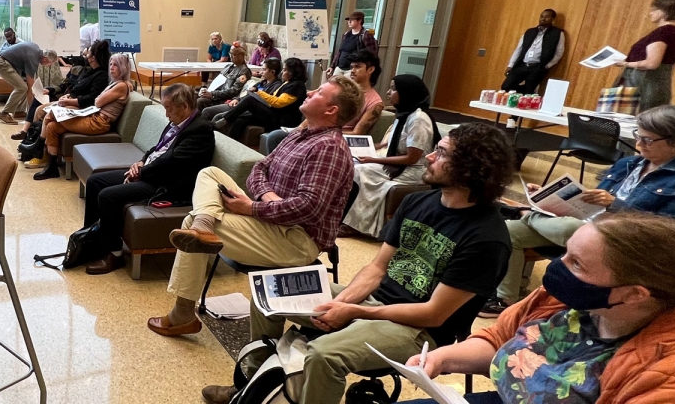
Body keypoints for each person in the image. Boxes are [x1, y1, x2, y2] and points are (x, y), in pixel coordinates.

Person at [199, 122, 516, 404]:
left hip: (418, 331)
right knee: (267, 292)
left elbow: (433, 315)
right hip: (376, 301)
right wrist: (342, 303)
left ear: (472, 168)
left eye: (443, 153)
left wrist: (353, 311)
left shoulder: (486, 238)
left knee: (322, 355)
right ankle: (253, 388)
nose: (430, 157)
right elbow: (377, 269)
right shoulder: (418, 201)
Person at [401, 213, 675, 404]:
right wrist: (443, 358)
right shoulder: (573, 300)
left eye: (576, 264)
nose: (557, 268)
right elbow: (501, 337)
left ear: (634, 293)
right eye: (565, 255)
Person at [146, 76, 366, 337]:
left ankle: (182, 313)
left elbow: (307, 208)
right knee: (210, 173)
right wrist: (267, 196)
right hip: (272, 219)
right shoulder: (301, 134)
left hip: (296, 239)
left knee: (189, 223)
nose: (309, 92)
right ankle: (204, 225)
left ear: (332, 110)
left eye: (319, 92)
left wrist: (251, 208)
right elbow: (259, 168)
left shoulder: (328, 147)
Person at [482, 105, 675, 317]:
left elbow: (672, 227)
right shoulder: (628, 164)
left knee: (573, 229)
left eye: (648, 140)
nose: (639, 145)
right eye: (638, 137)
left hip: (625, 240)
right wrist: (552, 195)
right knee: (509, 231)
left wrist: (616, 204)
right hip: (588, 224)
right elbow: (590, 202)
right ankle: (505, 299)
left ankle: (528, 215)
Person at [79, 84, 215, 274]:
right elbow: (157, 149)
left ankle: (115, 254)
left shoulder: (201, 130)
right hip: (151, 173)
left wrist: (141, 172)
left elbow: (171, 162)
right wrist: (140, 162)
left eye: (168, 108)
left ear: (184, 106)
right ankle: (92, 241)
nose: (166, 114)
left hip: (167, 185)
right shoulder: (177, 122)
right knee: (95, 182)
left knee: (107, 196)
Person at [341, 74, 439, 237]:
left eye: (393, 89)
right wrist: (367, 147)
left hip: (413, 171)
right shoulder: (404, 115)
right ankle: (343, 216)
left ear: (406, 93)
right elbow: (390, 144)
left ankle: (358, 225)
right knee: (352, 164)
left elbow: (411, 158)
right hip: (398, 164)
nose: (388, 92)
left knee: (362, 172)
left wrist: (373, 159)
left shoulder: (419, 119)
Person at [28, 54, 133, 180]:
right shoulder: (116, 83)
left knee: (52, 113)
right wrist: (99, 98)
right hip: (94, 116)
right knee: (52, 127)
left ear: (123, 68)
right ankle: (51, 167)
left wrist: (99, 98)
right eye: (110, 64)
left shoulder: (121, 86)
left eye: (115, 65)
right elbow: (98, 100)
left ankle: (38, 146)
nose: (111, 67)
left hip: (99, 123)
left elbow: (97, 102)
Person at [14, 43, 112, 159]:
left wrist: (68, 100)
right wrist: (65, 95)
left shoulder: (101, 75)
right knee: (39, 110)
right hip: (70, 99)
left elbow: (91, 99)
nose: (85, 55)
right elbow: (71, 85)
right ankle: (31, 141)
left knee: (49, 115)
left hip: (82, 107)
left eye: (87, 53)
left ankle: (38, 148)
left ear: (93, 57)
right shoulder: (89, 71)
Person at [613, 0, 675, 112]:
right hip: (657, 84)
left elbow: (651, 63)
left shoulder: (663, 32)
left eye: (654, 10)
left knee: (627, 122)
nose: (650, 13)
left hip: (643, 85)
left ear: (664, 12)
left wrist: (624, 64)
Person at [214, 57, 308, 139]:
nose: (282, 72)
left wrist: (258, 92)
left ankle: (223, 121)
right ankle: (232, 143)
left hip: (282, 120)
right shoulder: (288, 83)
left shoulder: (297, 86)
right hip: (274, 114)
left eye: (285, 70)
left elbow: (278, 102)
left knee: (250, 100)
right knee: (241, 119)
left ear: (292, 72)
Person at [501, 9, 566, 95]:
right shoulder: (530, 32)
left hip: (537, 67)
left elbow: (559, 53)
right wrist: (511, 65)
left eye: (547, 17)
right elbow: (519, 48)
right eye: (542, 16)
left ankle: (529, 94)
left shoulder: (557, 33)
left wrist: (547, 66)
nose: (543, 19)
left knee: (529, 91)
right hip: (522, 65)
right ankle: (525, 93)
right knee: (506, 86)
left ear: (553, 19)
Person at [201, 57, 279, 123]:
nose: (261, 72)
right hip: (239, 103)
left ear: (272, 72)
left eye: (264, 69)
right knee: (205, 108)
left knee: (217, 116)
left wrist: (214, 94)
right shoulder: (261, 82)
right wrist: (237, 99)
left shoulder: (276, 86)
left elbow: (263, 102)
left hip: (249, 109)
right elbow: (248, 94)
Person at [0, 40, 51, 124]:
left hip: (1, 59)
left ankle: (19, 111)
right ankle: (4, 113)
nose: (49, 65)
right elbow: (31, 87)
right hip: (1, 62)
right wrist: (32, 113)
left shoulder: (36, 49)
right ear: (45, 59)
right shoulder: (33, 58)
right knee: (22, 88)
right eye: (50, 63)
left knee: (24, 87)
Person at [196, 43, 252, 111]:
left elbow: (234, 91)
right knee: (193, 95)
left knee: (200, 101)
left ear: (242, 55)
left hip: (225, 99)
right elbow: (217, 83)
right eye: (230, 53)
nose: (230, 56)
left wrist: (213, 94)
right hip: (217, 95)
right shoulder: (228, 67)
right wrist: (205, 89)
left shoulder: (244, 71)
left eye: (234, 54)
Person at [342, 49, 386, 135]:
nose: (352, 70)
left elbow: (357, 133)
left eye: (357, 67)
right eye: (351, 67)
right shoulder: (343, 90)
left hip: (341, 140)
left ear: (370, 70)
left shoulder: (375, 102)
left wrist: (326, 134)